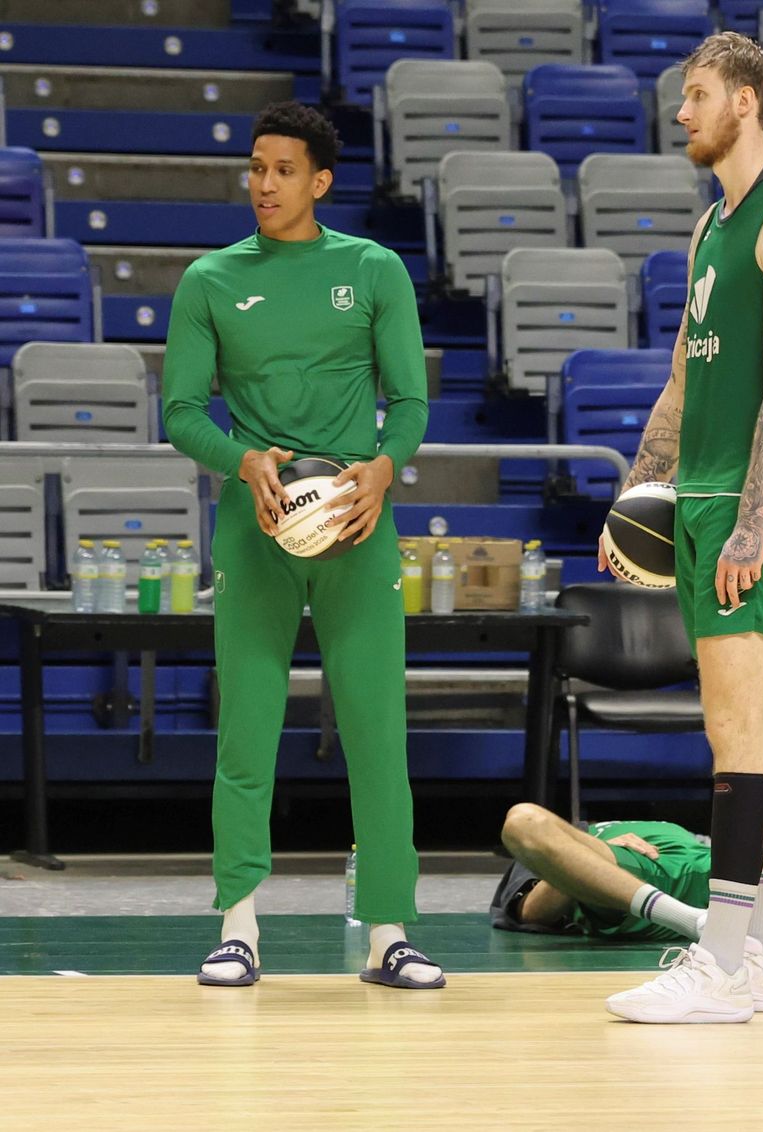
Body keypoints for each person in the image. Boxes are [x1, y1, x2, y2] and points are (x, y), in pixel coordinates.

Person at [163, 101, 442, 990]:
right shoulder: (209, 279)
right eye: (255, 167)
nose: (263, 184)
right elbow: (178, 412)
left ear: (320, 181)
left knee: (376, 737)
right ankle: (238, 928)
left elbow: (411, 402)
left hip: (357, 527)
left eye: (282, 170)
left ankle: (389, 935)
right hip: (257, 530)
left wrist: (385, 468)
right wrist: (240, 458)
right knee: (245, 735)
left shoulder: (373, 269)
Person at [598, 32, 763, 1024]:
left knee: (732, 729)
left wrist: (750, 523)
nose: (684, 112)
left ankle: (723, 963)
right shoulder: (712, 230)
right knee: (762, 732)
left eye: (698, 95)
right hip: (696, 499)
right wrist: (638, 496)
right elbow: (682, 380)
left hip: (760, 504)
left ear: (746, 101)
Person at [490, 797, 763, 946]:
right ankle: (697, 924)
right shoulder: (590, 843)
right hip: (646, 883)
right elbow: (532, 912)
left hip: (743, 868)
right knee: (523, 819)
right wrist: (590, 848)